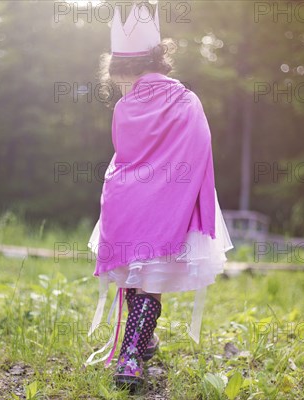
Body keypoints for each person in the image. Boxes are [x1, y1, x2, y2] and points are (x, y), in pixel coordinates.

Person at [85, 2, 233, 392]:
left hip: (128, 203)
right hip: (169, 205)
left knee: (137, 274)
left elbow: (125, 158)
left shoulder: (125, 105)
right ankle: (133, 353)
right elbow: (198, 157)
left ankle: (138, 345)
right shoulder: (188, 101)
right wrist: (187, 206)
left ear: (120, 71)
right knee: (148, 279)